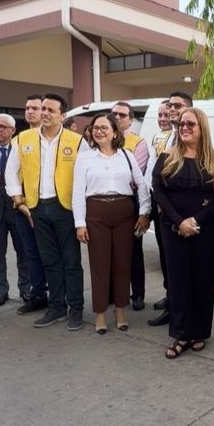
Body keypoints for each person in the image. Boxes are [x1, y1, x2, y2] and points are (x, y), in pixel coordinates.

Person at [152, 106, 214, 358]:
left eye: (190, 124)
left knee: (203, 280)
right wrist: (179, 221)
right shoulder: (166, 157)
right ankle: (181, 335)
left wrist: (195, 220)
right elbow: (159, 191)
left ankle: (199, 332)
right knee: (178, 281)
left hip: (203, 229)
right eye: (181, 124)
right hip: (173, 228)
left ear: (201, 128)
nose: (184, 128)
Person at [6, 92, 85, 330]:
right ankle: (57, 308)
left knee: (71, 261)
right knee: (49, 260)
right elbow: (11, 171)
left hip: (66, 208)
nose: (45, 113)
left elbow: (83, 178)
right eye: (43, 109)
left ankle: (76, 309)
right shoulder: (23, 139)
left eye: (51, 110)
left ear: (63, 115)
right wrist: (18, 199)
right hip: (37, 208)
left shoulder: (77, 141)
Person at [74, 113, 150, 333]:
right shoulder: (85, 158)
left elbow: (142, 185)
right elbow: (78, 192)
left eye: (104, 127)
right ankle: (100, 313)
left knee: (122, 263)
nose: (99, 131)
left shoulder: (126, 155)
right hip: (96, 213)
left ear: (115, 131)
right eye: (95, 128)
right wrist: (80, 223)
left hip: (124, 213)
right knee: (100, 265)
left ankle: (120, 309)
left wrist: (144, 212)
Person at [149, 93, 192, 326]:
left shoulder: (195, 135)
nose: (172, 109)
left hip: (183, 213)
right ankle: (171, 298)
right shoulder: (165, 138)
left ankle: (179, 307)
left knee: (180, 265)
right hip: (163, 209)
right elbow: (154, 174)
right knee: (166, 259)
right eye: (170, 106)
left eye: (177, 106)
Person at [110, 101, 153, 311]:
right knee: (110, 250)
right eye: (114, 114)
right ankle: (114, 293)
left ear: (131, 119)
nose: (118, 117)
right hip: (107, 203)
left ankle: (138, 294)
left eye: (122, 114)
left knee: (133, 251)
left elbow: (136, 177)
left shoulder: (138, 142)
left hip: (131, 201)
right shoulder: (100, 140)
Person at [0, 114, 28, 307]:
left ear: (12, 130)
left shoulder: (21, 151)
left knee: (24, 252)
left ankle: (25, 289)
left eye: (2, 127)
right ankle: (1, 291)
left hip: (17, 208)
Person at [12, 94, 50, 314]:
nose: (31, 112)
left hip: (46, 207)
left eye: (36, 108)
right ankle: (37, 295)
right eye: (27, 108)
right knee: (31, 253)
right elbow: (12, 174)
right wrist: (20, 203)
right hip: (22, 207)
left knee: (51, 254)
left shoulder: (57, 140)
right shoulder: (20, 139)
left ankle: (56, 294)